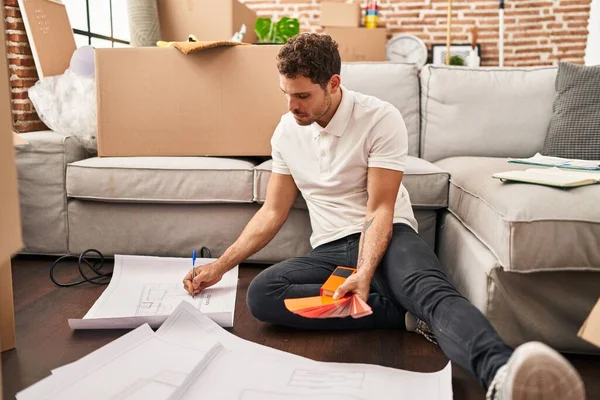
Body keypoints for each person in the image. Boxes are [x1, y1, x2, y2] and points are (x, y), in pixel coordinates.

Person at [183, 33, 585, 400]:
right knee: (262, 295)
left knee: (433, 293)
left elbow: (380, 208)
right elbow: (273, 211)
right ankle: (401, 312)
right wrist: (220, 266)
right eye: (286, 94)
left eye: (302, 96)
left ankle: (502, 374)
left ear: (333, 85)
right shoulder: (287, 131)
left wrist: (365, 268)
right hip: (329, 250)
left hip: (388, 235)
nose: (292, 107)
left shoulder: (379, 117)